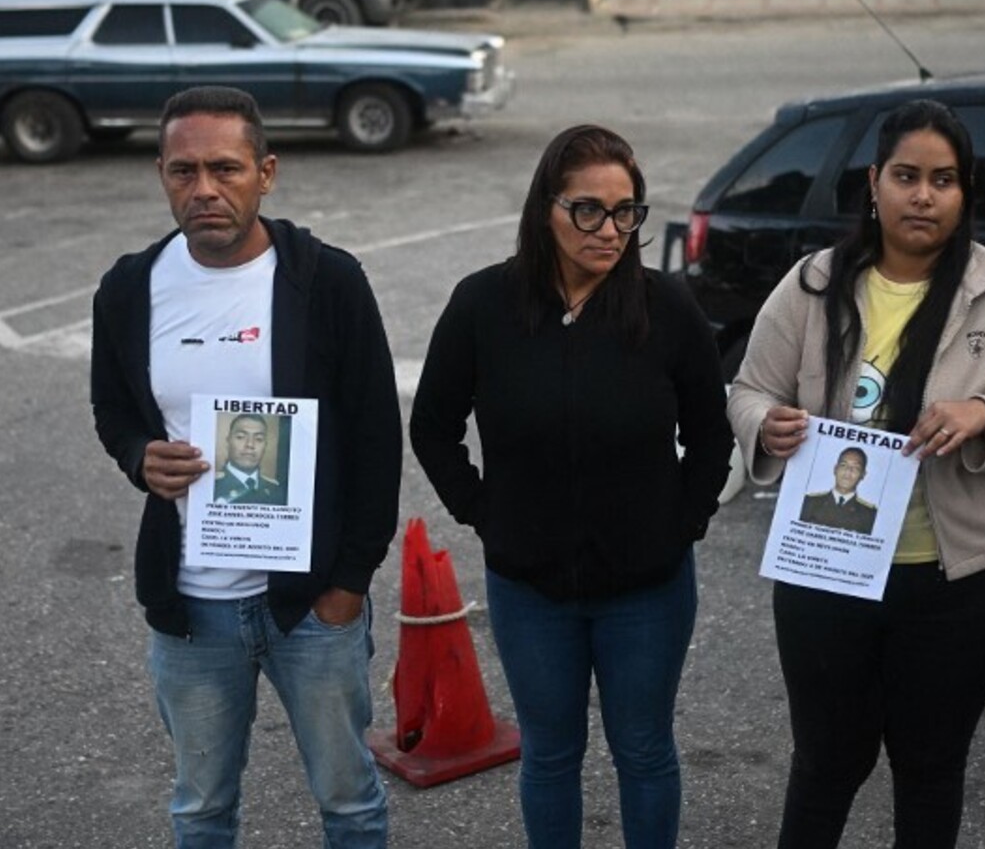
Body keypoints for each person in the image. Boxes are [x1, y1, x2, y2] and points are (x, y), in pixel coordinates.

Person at [727, 99, 985, 849]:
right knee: (825, 763)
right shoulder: (812, 284)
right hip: (829, 570)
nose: (924, 196)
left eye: (943, 180)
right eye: (906, 176)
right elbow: (749, 389)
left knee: (929, 766)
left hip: (961, 587)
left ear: (965, 193)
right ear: (874, 183)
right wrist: (766, 422)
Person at [90, 86, 401, 848]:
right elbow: (113, 409)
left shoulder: (326, 282)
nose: (204, 189)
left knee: (350, 803)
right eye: (183, 171)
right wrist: (139, 457)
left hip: (310, 604)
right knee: (201, 809)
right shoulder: (130, 288)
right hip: (191, 609)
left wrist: (347, 585)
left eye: (225, 169)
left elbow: (375, 440)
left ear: (266, 173)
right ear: (162, 175)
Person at [409, 124, 734, 849]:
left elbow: (712, 433)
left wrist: (683, 522)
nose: (609, 230)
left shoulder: (666, 307)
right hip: (529, 589)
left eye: (626, 212)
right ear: (546, 209)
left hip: (648, 589)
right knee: (550, 754)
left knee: (644, 749)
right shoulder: (483, 305)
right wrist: (485, 513)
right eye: (588, 210)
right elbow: (431, 426)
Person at [213, 413, 288, 506]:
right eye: (240, 437)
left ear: (265, 445)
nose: (250, 445)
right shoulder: (212, 485)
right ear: (228, 441)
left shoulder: (276, 490)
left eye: (259, 439)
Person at [798, 447, 877, 534]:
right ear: (835, 469)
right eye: (843, 465)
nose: (848, 471)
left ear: (863, 474)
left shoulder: (869, 514)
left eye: (855, 468)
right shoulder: (809, 503)